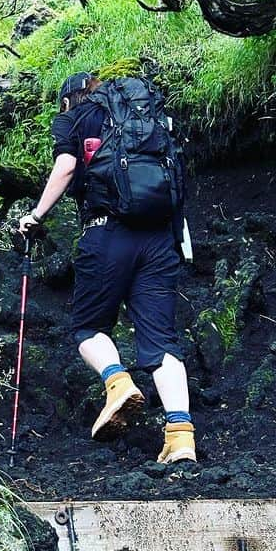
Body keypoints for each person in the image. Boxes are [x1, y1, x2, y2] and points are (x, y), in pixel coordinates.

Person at [18, 70, 196, 464]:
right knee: (162, 342)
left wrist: (36, 215)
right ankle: (181, 437)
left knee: (88, 328)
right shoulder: (149, 119)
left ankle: (117, 384)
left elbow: (66, 166)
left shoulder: (74, 118)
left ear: (67, 99)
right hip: (158, 238)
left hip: (107, 234)